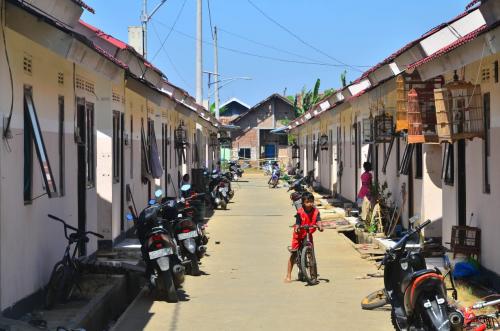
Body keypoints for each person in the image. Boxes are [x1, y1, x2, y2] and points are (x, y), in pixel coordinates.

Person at [285, 192, 323, 283]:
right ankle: (288, 275)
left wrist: (320, 226)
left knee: (311, 252)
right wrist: (297, 227)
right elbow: (298, 222)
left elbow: (318, 220)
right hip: (298, 234)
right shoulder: (300, 212)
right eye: (307, 202)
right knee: (294, 254)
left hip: (308, 233)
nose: (309, 204)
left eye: (311, 201)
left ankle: (313, 274)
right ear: (303, 203)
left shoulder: (316, 211)